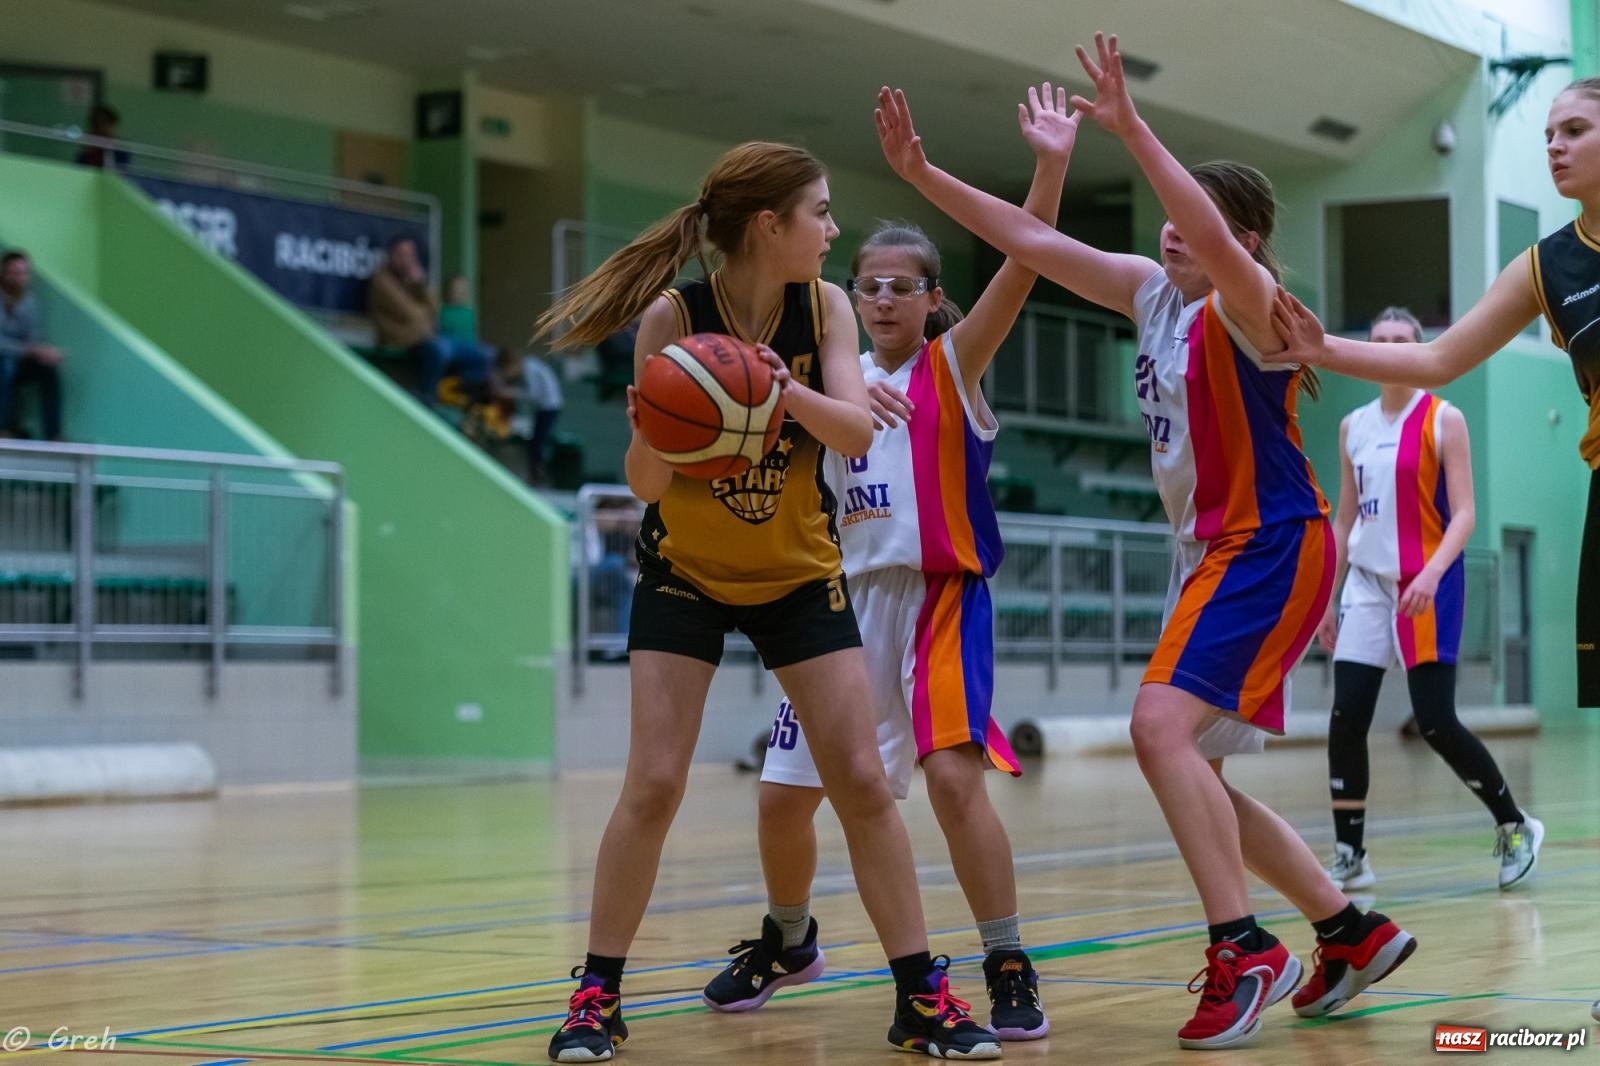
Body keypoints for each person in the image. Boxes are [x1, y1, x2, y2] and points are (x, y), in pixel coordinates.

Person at [874, 33, 1416, 1049]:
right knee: (1196, 769)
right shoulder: (1147, 291)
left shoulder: (1249, 305)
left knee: (1157, 732)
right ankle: (1348, 930)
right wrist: (922, 175)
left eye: (1191, 215)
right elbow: (1028, 240)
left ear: (1239, 240)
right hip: (1211, 550)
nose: (1171, 227)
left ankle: (1240, 947)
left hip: (1268, 540)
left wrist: (1131, 129)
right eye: (1166, 213)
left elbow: (1205, 228)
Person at [532, 141, 1001, 1061]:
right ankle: (596, 996)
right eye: (819, 213)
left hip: (795, 572)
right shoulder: (674, 317)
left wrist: (777, 392)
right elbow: (646, 485)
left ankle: (919, 999)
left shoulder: (822, 307)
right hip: (686, 574)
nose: (831, 229)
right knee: (654, 784)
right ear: (768, 225)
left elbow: (856, 431)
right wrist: (657, 426)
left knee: (860, 781)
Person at [703, 85, 1077, 1043]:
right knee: (782, 799)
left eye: (901, 286)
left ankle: (1005, 958)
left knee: (953, 782)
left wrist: (1049, 167)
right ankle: (790, 938)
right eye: (867, 284)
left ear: (933, 298)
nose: (879, 299)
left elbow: (1028, 259)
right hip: (838, 603)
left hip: (939, 596)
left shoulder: (953, 365)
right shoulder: (832, 374)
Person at [1271, 76, 1600, 724]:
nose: (1554, 147)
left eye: (1574, 131)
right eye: (1547, 136)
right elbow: (1438, 360)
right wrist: (1323, 347)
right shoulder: (1546, 267)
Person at [1317, 307, 1542, 893]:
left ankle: (1515, 825)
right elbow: (1345, 519)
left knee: (1436, 722)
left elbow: (1465, 514)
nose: (1390, 348)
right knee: (1346, 718)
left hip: (1428, 582)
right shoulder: (1352, 426)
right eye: (1380, 340)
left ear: (1421, 349)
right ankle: (1350, 854)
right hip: (1366, 585)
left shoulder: (1445, 418)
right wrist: (1325, 597)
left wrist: (1431, 574)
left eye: (1402, 340)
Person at [367, 238, 491, 406]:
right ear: (391, 255)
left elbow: (436, 309)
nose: (407, 260)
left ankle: (451, 394)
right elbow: (411, 313)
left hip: (428, 336)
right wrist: (427, 320)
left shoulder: (412, 281)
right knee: (439, 351)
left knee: (482, 357)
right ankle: (428, 397)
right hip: (403, 339)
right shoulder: (382, 280)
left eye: (411, 255)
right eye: (402, 254)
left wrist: (421, 284)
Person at [0, 251, 65, 442]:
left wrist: (42, 352)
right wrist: (27, 349)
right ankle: (3, 428)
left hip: (20, 360)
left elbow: (34, 337)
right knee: (6, 365)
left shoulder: (30, 302)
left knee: (48, 370)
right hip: (4, 361)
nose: (19, 277)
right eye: (14, 272)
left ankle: (53, 434)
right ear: (4, 273)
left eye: (23, 273)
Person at [74, 104, 131, 170]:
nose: (101, 129)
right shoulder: (86, 152)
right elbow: (77, 170)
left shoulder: (120, 151)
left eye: (105, 124)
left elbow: (124, 172)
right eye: (97, 125)